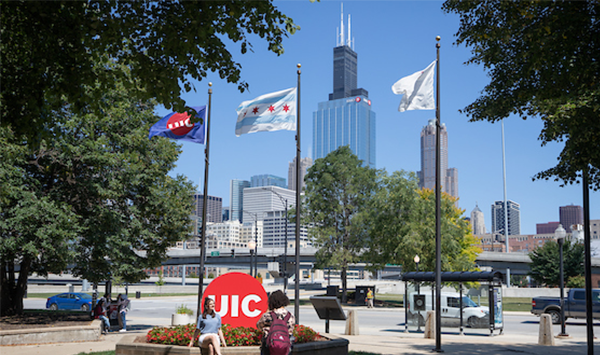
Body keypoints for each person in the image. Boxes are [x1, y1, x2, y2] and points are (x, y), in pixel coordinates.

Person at [256, 290, 295, 355]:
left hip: (269, 346)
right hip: (284, 346)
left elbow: (258, 325)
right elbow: (291, 330)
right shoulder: (290, 316)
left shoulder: (268, 315)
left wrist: (268, 310)